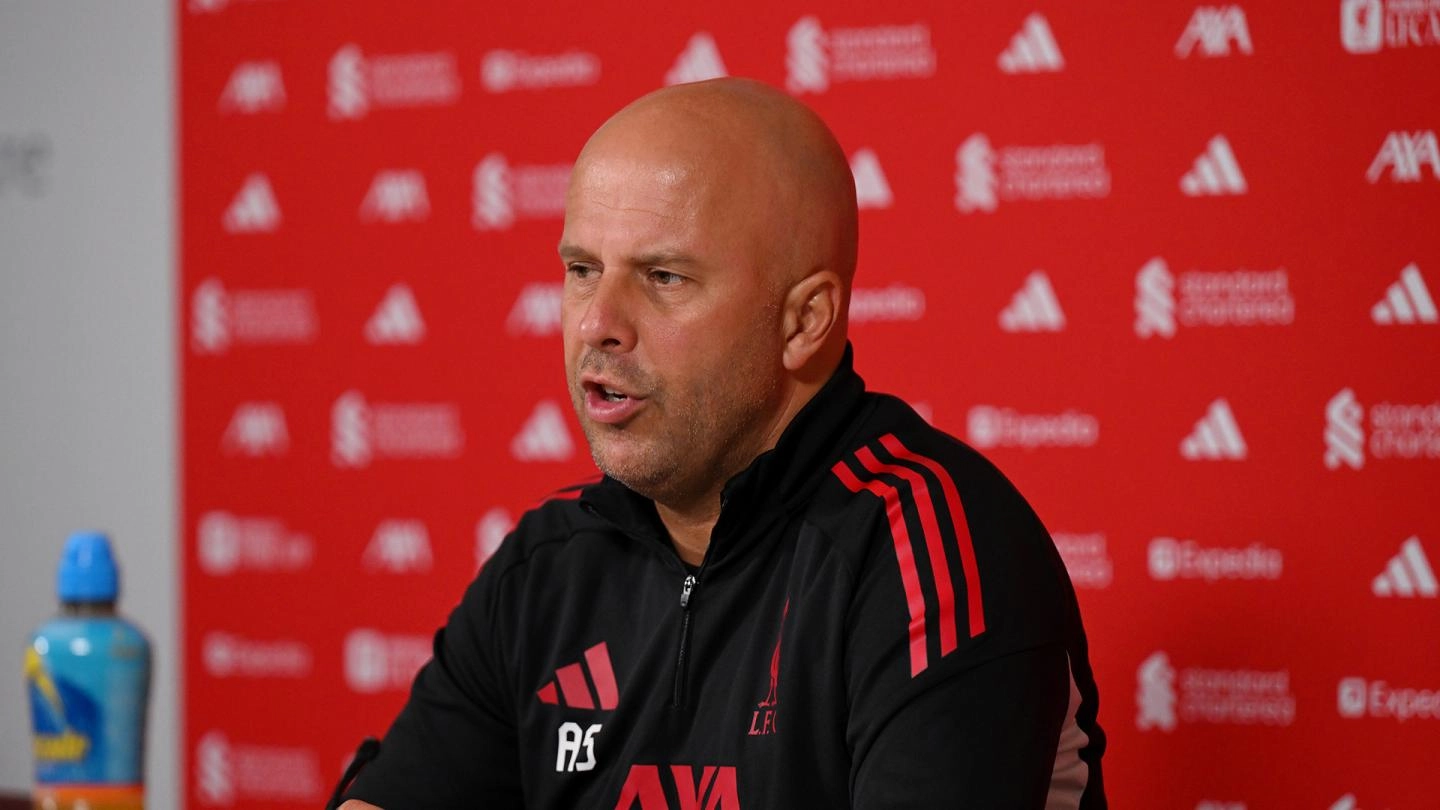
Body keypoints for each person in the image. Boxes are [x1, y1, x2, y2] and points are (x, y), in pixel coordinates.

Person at [341, 77, 1106, 809]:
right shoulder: (547, 567)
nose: (597, 323)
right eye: (582, 269)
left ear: (803, 321)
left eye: (663, 277)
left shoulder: (929, 549)